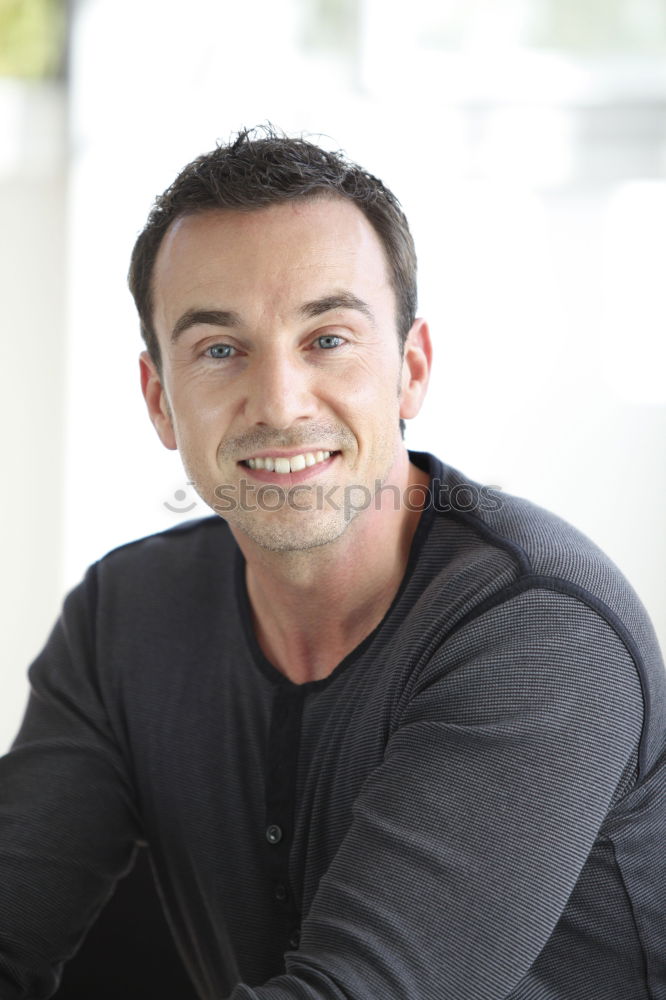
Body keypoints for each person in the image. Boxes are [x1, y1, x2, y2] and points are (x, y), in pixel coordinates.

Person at [1, 127, 664, 1000]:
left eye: (329, 339)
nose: (279, 404)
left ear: (411, 370)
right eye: (219, 350)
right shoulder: (124, 616)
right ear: (161, 401)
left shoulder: (539, 633)